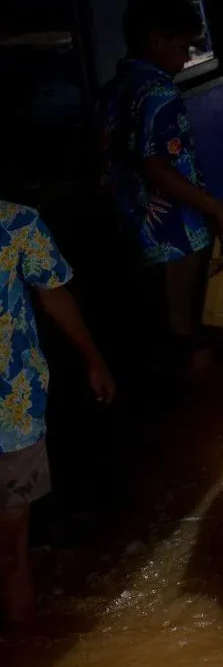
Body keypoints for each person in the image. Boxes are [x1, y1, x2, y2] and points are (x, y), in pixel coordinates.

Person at [101, 0, 223, 371]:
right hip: (172, 234)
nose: (186, 57)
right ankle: (200, 413)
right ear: (155, 40)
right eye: (182, 47)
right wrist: (217, 209)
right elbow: (156, 165)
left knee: (156, 329)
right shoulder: (158, 91)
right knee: (188, 329)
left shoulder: (117, 87)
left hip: (132, 225)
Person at [0, 201, 114, 631]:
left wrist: (93, 360)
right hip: (13, 414)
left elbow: (55, 298)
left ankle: (21, 663)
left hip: (12, 418)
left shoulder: (18, 223)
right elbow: (54, 297)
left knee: (12, 552)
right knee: (12, 554)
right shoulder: (15, 223)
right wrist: (94, 360)